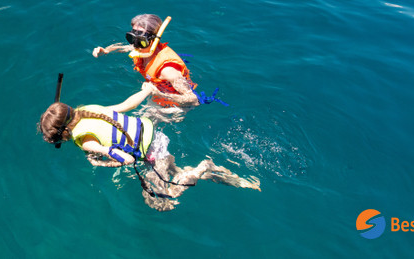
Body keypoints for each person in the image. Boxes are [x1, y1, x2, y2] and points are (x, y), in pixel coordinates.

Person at [37, 83, 259, 210]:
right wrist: (146, 90)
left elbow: (129, 160)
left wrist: (99, 163)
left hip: (150, 152)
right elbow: (127, 105)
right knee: (174, 172)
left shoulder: (86, 140)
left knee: (160, 202)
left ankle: (203, 168)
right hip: (152, 133)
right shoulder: (87, 109)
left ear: (63, 133)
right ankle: (215, 176)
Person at [93, 14, 198, 107]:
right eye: (132, 38)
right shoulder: (141, 47)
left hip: (175, 105)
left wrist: (157, 93)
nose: (134, 45)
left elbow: (193, 100)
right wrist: (106, 50)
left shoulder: (168, 70)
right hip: (155, 90)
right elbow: (125, 48)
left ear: (154, 41)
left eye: (141, 41)